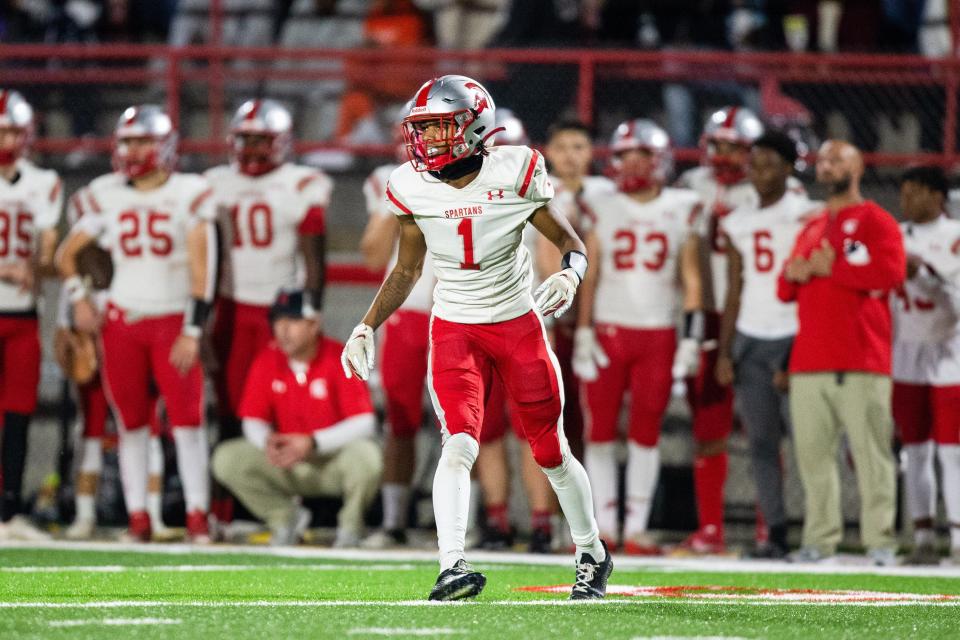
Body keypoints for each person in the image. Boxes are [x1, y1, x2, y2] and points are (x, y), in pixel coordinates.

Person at [341, 75, 612, 601]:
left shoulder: (517, 170)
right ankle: (452, 565)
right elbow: (405, 270)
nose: (431, 141)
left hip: (516, 323)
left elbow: (570, 242)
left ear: (476, 125)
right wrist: (365, 323)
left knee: (550, 449)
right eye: (424, 130)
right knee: (459, 443)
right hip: (455, 328)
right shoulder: (410, 184)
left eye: (441, 127)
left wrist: (570, 275)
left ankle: (590, 550)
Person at [56, 105, 217, 543]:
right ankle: (138, 518)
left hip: (171, 321)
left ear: (164, 146)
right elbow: (65, 255)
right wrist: (79, 299)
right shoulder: (106, 193)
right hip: (122, 321)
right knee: (130, 425)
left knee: (187, 423)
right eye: (126, 141)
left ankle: (197, 516)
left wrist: (193, 329)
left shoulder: (191, 192)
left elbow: (204, 269)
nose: (133, 150)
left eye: (142, 141)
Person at [676, 105, 805, 553]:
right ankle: (711, 528)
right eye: (719, 145)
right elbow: (686, 259)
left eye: (737, 147)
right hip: (709, 316)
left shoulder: (780, 193)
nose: (726, 155)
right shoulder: (690, 186)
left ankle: (771, 525)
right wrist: (692, 327)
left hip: (766, 314)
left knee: (765, 430)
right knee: (709, 426)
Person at [574, 119, 703, 555]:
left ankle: (637, 529)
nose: (630, 163)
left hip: (659, 333)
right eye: (624, 154)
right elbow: (590, 274)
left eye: (640, 155)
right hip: (610, 329)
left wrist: (692, 338)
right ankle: (604, 527)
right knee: (601, 430)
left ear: (659, 159)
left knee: (647, 432)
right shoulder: (602, 205)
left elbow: (692, 279)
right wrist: (584, 331)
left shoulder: (683, 206)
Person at [778, 139, 905, 565]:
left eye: (837, 159)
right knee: (814, 461)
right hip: (810, 359)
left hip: (863, 359)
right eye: (823, 160)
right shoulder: (811, 225)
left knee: (872, 457)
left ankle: (881, 542)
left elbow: (890, 274)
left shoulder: (877, 220)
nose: (826, 166)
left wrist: (831, 269)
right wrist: (800, 272)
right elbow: (785, 285)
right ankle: (819, 540)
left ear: (858, 167)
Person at [205, 98, 330, 526]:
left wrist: (310, 312)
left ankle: (277, 507)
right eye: (247, 139)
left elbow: (315, 259)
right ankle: (223, 511)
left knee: (281, 408)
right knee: (229, 410)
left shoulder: (304, 182)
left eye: (262, 139)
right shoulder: (213, 182)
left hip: (281, 311)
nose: (254, 148)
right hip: (230, 308)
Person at [715, 131, 820, 559]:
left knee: (814, 442)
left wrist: (805, 343)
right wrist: (723, 350)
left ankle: (819, 533)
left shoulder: (807, 214)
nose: (760, 173)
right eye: (755, 164)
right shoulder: (737, 220)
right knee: (761, 443)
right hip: (751, 338)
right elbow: (734, 289)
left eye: (770, 164)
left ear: (791, 166)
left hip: (797, 334)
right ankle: (774, 533)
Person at [213, 289, 382, 547]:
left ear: (313, 324)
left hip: (330, 462)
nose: (282, 329)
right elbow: (252, 420)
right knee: (226, 458)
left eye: (291, 321)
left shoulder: (340, 356)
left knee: (368, 456)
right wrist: (267, 443)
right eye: (278, 321)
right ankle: (285, 518)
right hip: (287, 461)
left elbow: (365, 422)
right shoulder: (267, 359)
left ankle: (351, 526)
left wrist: (313, 442)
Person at [358, 120, 435, 548]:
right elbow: (372, 257)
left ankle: (470, 522)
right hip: (407, 313)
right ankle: (393, 521)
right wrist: (398, 194)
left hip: (458, 310)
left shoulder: (472, 174)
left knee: (464, 424)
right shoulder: (390, 180)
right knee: (400, 421)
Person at [0, 90, 61, 542]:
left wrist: (34, 267)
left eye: (12, 131)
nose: (6, 139)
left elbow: (49, 253)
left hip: (23, 316)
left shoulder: (45, 183)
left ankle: (9, 510)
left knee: (19, 414)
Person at [891, 166, 960, 565]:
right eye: (904, 192)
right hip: (906, 351)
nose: (907, 200)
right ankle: (922, 538)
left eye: (916, 191)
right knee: (914, 450)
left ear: (937, 196)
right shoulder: (894, 237)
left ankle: (956, 540)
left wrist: (927, 277)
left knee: (951, 452)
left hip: (950, 351)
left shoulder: (954, 237)